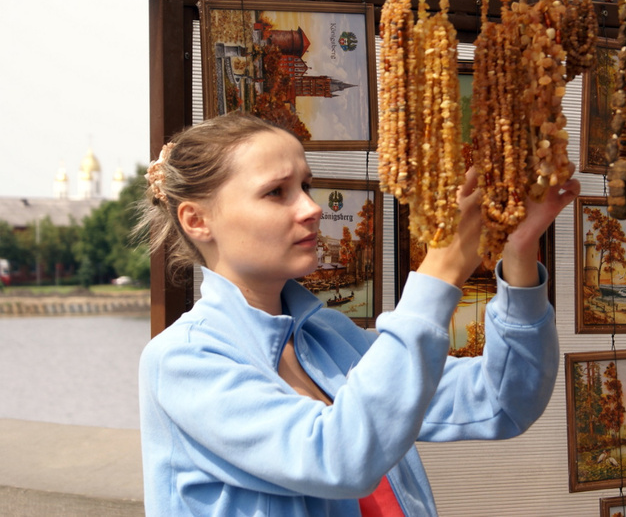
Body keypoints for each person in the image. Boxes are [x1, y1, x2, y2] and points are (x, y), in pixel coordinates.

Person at [136, 113, 580, 516]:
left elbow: (504, 399)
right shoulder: (183, 360)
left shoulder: (331, 336)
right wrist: (443, 266)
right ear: (197, 220)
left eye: (306, 186)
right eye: (276, 192)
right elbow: (337, 457)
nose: (311, 208)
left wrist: (519, 252)